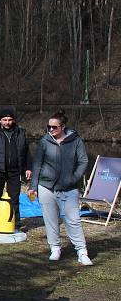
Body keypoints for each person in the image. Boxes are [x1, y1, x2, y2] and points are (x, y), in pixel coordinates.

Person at [29, 110, 92, 265]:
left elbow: (83, 161)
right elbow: (37, 164)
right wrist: (33, 186)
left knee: (73, 220)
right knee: (50, 220)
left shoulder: (75, 141)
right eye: (48, 127)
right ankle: (55, 248)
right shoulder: (45, 141)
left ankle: (82, 251)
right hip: (46, 187)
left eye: (54, 127)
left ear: (63, 126)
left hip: (69, 188)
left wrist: (73, 178)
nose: (51, 130)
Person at [0, 108, 31, 224]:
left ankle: (15, 223)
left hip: (15, 171)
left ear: (13, 120)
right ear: (0, 120)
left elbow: (26, 152)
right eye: (4, 120)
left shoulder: (21, 133)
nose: (7, 122)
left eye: (10, 120)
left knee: (14, 199)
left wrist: (28, 167)